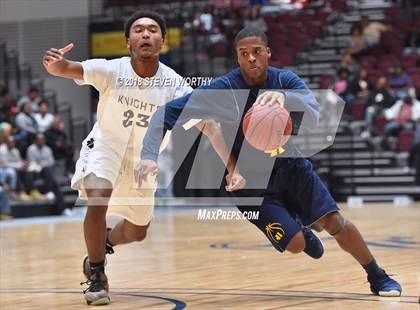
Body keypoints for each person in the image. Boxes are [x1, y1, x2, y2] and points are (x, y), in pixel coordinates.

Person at [138, 26, 402, 297]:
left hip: (291, 167)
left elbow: (313, 112)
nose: (251, 58)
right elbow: (165, 114)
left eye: (257, 52)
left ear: (268, 53)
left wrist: (286, 99)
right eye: (244, 53)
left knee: (334, 222)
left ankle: (377, 275)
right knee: (297, 244)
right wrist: (148, 156)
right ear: (237, 58)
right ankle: (301, 229)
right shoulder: (222, 89)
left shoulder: (285, 80)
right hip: (251, 185)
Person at [42, 10, 245, 306]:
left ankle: (105, 242)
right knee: (98, 197)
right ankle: (97, 276)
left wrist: (233, 168)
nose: (146, 34)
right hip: (106, 146)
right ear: (128, 42)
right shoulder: (112, 70)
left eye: (152, 30)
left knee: (137, 232)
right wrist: (54, 63)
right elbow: (67, 68)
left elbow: (210, 126)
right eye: (138, 30)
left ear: (162, 40)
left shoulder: (174, 85)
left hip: (143, 162)